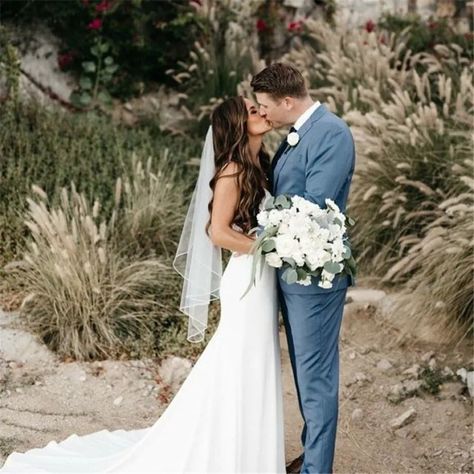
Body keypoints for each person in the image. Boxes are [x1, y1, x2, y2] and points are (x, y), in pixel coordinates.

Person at [0, 96, 286, 473]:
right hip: (247, 281)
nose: (261, 113)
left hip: (262, 281)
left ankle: (251, 453)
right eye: (252, 110)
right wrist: (269, 247)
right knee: (239, 364)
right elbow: (217, 233)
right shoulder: (233, 170)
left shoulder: (260, 164)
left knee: (256, 364)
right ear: (236, 124)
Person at [251, 62, 356, 474]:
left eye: (265, 106)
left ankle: (317, 470)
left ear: (288, 101)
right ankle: (310, 457)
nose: (262, 114)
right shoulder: (301, 132)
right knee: (303, 370)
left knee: (315, 377)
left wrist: (256, 222)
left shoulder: (331, 134)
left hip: (314, 276)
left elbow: (314, 207)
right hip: (292, 271)